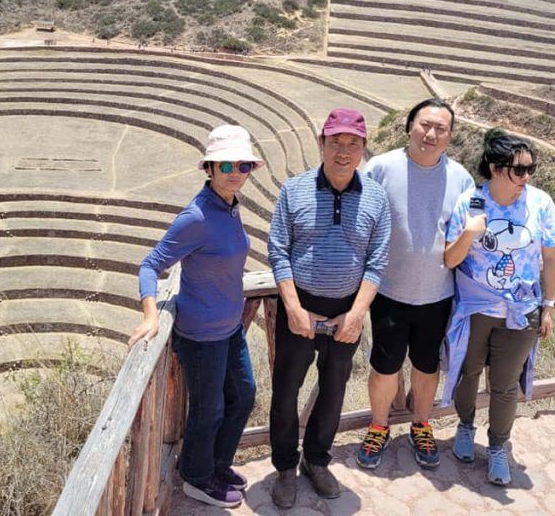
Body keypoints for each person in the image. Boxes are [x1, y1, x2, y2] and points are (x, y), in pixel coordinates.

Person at [129, 125, 264, 509]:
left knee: (243, 395)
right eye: (226, 165)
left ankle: (217, 465)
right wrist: (151, 315)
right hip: (201, 334)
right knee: (209, 410)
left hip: (230, 326)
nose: (236, 171)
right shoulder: (198, 216)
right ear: (210, 167)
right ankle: (196, 477)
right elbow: (150, 265)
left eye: (244, 165)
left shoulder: (231, 205)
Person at [267, 108, 391, 508]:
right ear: (321, 144)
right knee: (286, 391)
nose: (343, 151)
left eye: (352, 144)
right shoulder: (293, 190)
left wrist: (356, 315)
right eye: (335, 142)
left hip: (347, 310)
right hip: (299, 308)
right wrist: (293, 308)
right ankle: (286, 466)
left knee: (334, 390)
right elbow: (278, 251)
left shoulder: (375, 196)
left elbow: (377, 259)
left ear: (362, 149)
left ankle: (316, 461)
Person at [356, 99, 474, 470]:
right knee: (385, 367)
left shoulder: (461, 179)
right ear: (409, 127)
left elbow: (468, 236)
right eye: (425, 125)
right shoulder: (380, 168)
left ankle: (421, 426)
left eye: (441, 128)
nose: (431, 134)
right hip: (389, 291)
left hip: (438, 294)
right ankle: (379, 427)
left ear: (450, 136)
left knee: (426, 367)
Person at [441, 128, 555, 486]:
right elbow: (450, 260)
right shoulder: (470, 203)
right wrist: (469, 233)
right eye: (518, 169)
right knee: (468, 370)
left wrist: (549, 305)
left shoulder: (541, 203)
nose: (526, 177)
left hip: (522, 310)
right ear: (495, 168)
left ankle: (497, 446)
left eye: (530, 169)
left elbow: (551, 258)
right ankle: (465, 426)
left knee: (506, 385)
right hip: (475, 306)